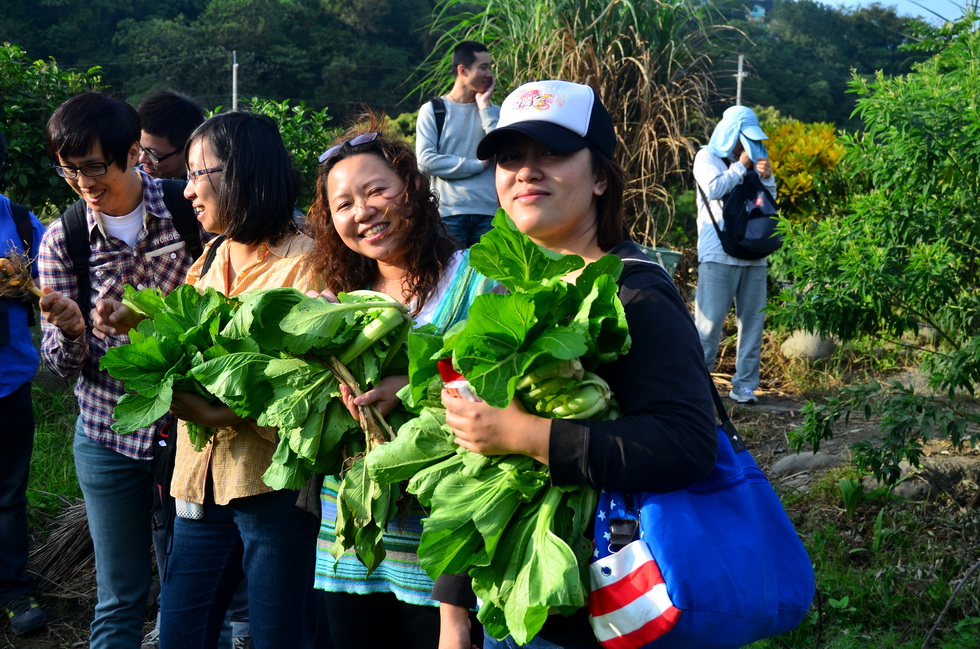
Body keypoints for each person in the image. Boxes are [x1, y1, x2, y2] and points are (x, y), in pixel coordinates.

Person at [433, 80, 719, 649]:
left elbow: (687, 442)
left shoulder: (635, 293)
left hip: (608, 608)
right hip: (510, 601)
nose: (526, 171)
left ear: (600, 177)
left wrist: (528, 434)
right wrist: (454, 613)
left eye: (554, 154)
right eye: (511, 157)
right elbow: (477, 473)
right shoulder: (507, 295)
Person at [117, 111, 324, 649]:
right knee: (181, 630)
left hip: (270, 482)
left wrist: (217, 412)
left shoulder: (307, 260)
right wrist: (144, 324)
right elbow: (188, 346)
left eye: (195, 174)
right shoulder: (211, 256)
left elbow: (299, 382)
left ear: (243, 173)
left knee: (280, 633)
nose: (186, 191)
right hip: (198, 477)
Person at [305, 115, 494, 649]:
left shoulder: (476, 278)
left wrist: (409, 386)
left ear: (412, 189)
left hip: (445, 528)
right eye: (343, 204)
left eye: (376, 191)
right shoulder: (336, 297)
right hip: (350, 533)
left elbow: (496, 377)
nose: (362, 212)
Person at [38, 91, 206, 648]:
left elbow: (227, 306)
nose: (84, 182)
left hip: (192, 430)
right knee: (119, 597)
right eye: (69, 170)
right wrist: (72, 331)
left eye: (94, 166)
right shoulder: (63, 239)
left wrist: (145, 322)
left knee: (188, 590)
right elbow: (61, 371)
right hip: (107, 434)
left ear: (133, 153)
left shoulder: (189, 208)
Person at [692, 105, 777, 404]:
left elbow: (769, 204)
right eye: (744, 137)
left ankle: (744, 386)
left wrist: (765, 178)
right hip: (718, 255)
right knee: (709, 324)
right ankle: (696, 387)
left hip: (754, 255)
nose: (748, 145)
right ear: (731, 133)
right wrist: (741, 166)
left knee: (753, 324)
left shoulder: (757, 162)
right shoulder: (707, 157)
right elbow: (715, 188)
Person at [0, 130, 47, 637]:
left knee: (9, 495)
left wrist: (28, 287)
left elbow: (52, 285)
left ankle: (13, 588)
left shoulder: (17, 222)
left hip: (7, 383)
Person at [416, 40, 499, 248]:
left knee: (489, 281)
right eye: (483, 67)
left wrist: (485, 106)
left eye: (489, 67)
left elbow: (502, 148)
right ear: (463, 70)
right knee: (450, 279)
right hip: (448, 215)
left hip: (489, 215)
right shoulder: (433, 110)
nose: (489, 74)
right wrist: (476, 165)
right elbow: (425, 161)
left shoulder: (493, 112)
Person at [137, 89, 207, 180]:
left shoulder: (202, 189)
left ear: (188, 150)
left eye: (153, 154)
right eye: (140, 148)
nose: (142, 159)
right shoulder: (131, 181)